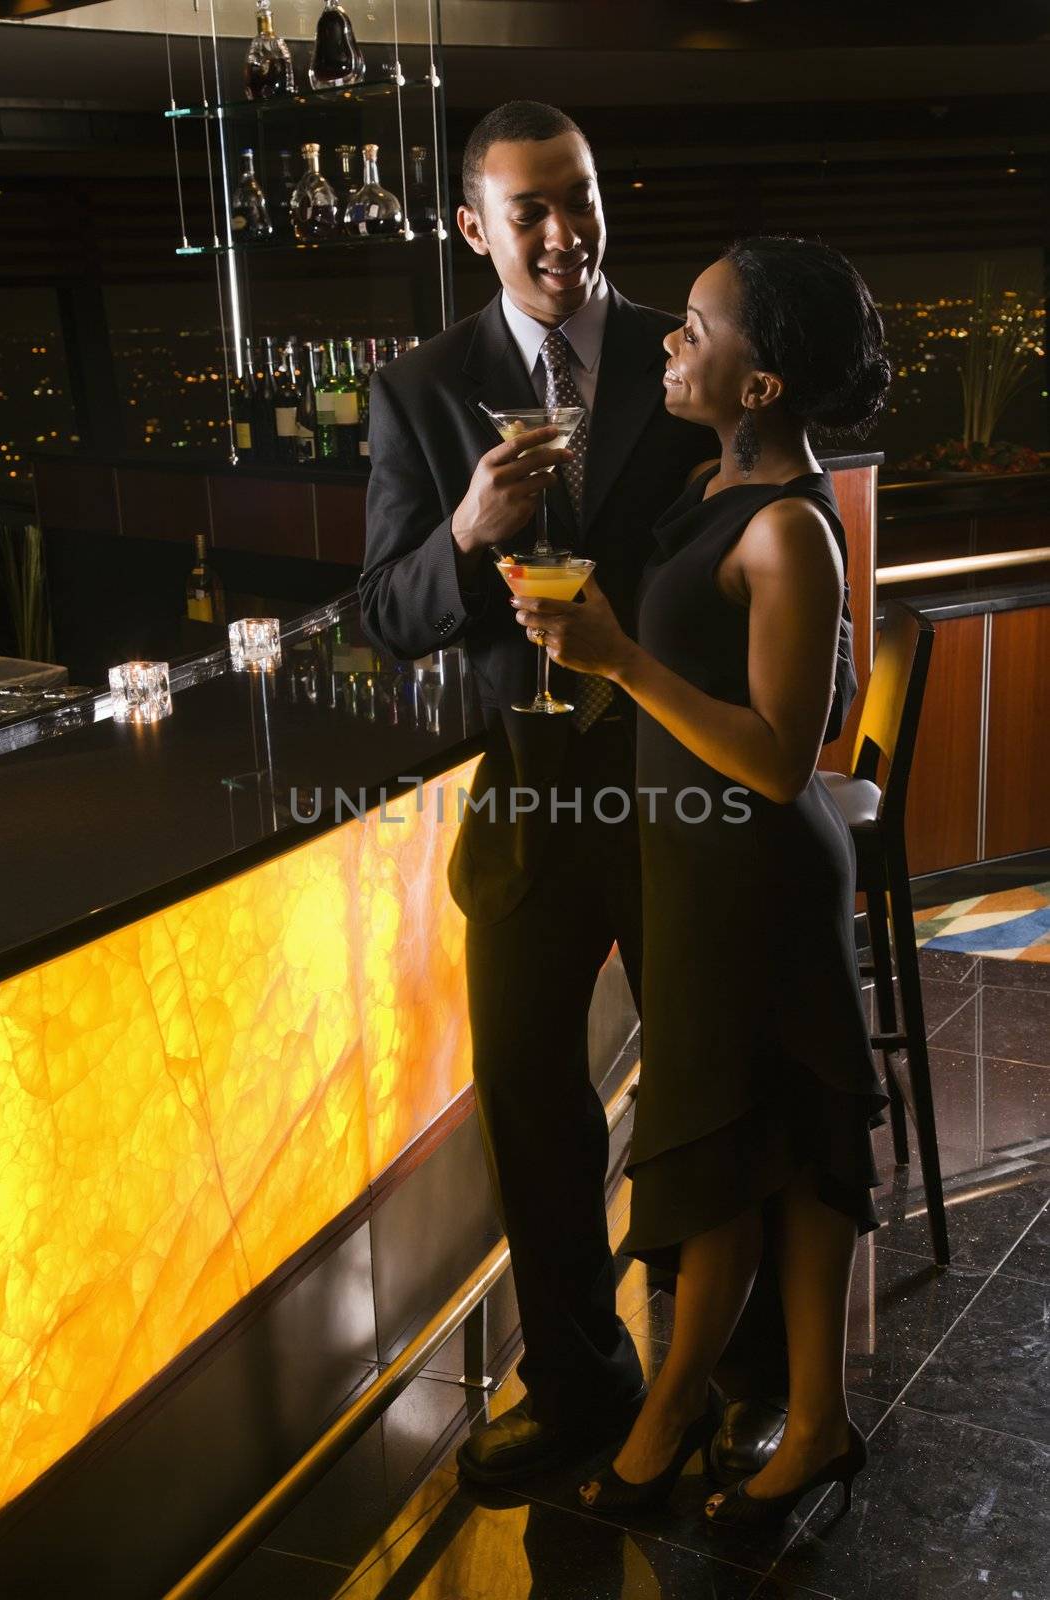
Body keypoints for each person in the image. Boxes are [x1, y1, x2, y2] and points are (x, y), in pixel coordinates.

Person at [358, 103, 855, 1489]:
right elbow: (387, 612)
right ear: (476, 230)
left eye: (580, 199)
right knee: (532, 1102)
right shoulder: (419, 388)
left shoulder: (695, 354)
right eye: (532, 212)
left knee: (716, 1094)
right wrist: (467, 531)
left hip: (685, 803)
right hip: (528, 809)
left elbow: (782, 559)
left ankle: (748, 1387)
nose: (566, 232)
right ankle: (583, 1381)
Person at [509, 235, 890, 1526]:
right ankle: (787, 1421)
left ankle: (708, 1417)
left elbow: (786, 762)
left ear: (763, 384)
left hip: (758, 882)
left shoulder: (790, 530)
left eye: (699, 329)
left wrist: (616, 658)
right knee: (740, 1152)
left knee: (754, 1152)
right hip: (697, 873)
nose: (671, 339)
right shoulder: (719, 484)